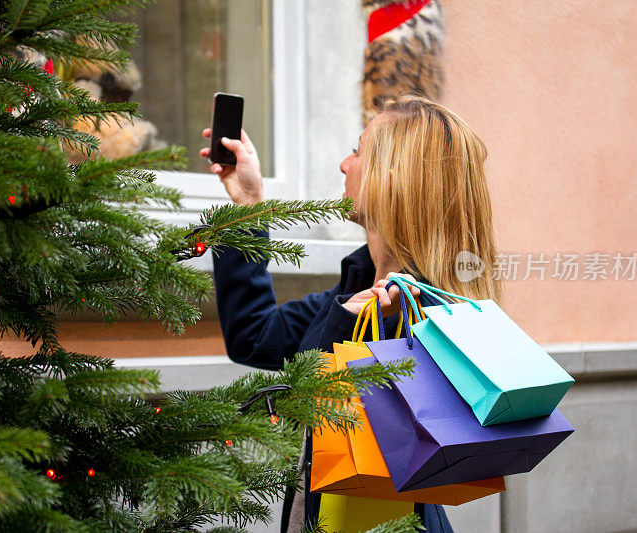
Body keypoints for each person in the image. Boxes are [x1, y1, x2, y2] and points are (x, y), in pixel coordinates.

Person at [199, 94, 503, 533]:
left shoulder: (433, 314)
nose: (345, 164)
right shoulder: (353, 289)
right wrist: (248, 202)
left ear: (396, 179)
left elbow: (350, 418)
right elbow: (255, 336)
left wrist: (348, 324)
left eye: (359, 151)